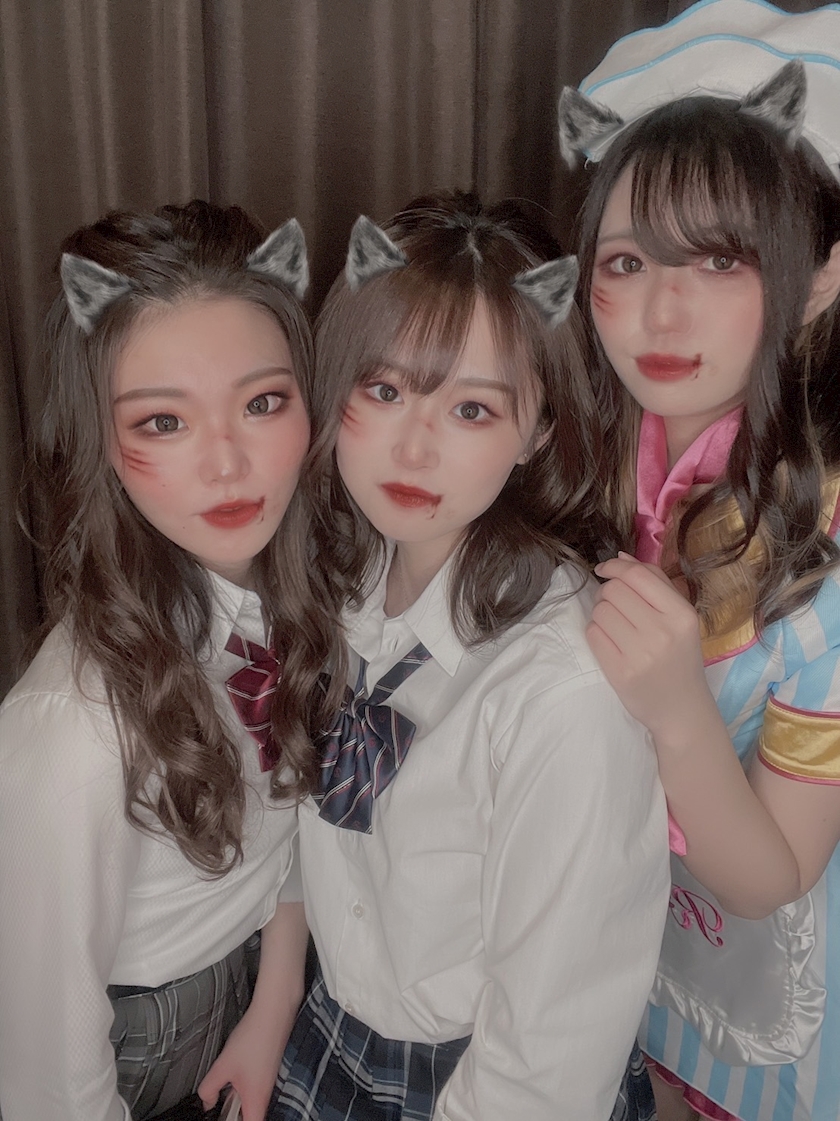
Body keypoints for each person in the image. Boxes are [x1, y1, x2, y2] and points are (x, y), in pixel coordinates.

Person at [263, 192, 670, 1121]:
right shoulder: (343, 577)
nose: (415, 446)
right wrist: (275, 1005)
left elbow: (551, 1047)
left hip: (479, 1082)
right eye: (384, 390)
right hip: (329, 1031)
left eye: (473, 408)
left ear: (537, 431)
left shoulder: (562, 688)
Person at [0, 200, 342, 1121]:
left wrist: (274, 1002)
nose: (228, 464)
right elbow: (46, 1080)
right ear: (103, 441)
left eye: (262, 403)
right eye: (163, 422)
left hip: (271, 979)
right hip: (134, 1050)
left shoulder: (304, 597)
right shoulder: (71, 732)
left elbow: (290, 828)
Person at [560, 2, 840, 1118]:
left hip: (764, 990)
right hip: (600, 955)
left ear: (822, 275)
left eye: (722, 259)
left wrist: (677, 708)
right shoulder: (572, 449)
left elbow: (776, 875)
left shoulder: (825, 554)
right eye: (628, 260)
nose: (661, 312)